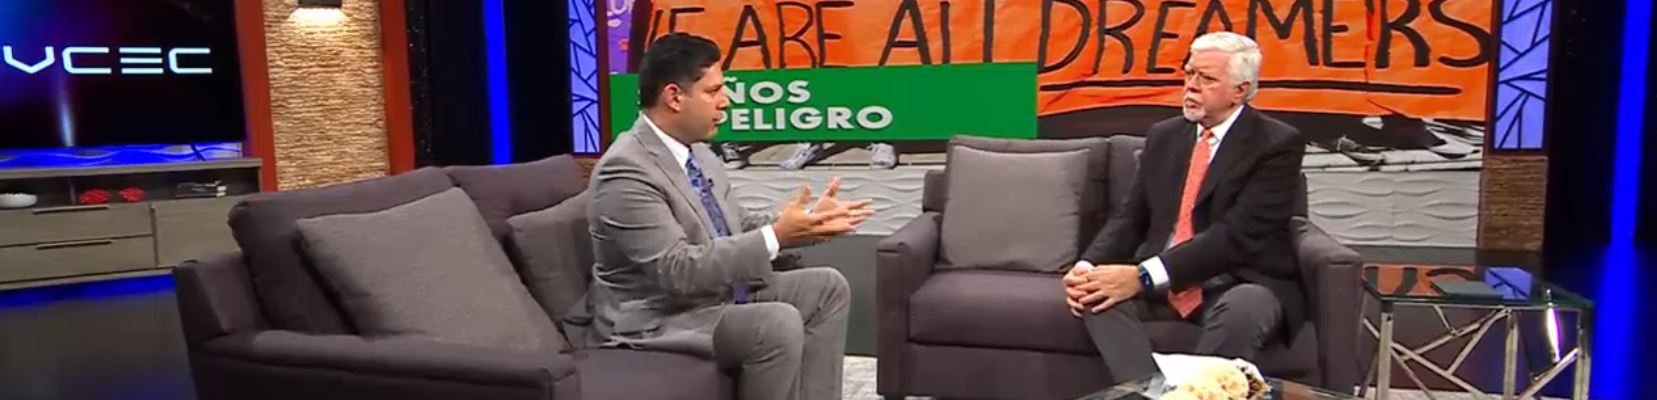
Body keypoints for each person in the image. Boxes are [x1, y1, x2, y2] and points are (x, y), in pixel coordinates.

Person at [579, 32, 873, 400]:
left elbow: (737, 225)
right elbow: (676, 269)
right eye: (714, 90)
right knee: (775, 323)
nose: (726, 101)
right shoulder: (626, 170)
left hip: (711, 295)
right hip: (657, 316)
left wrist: (809, 223)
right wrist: (777, 236)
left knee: (826, 288)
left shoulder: (699, 153)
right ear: (674, 97)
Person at [1062, 31, 1307, 384]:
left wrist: (1142, 276)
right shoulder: (1165, 136)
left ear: (1240, 90)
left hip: (1236, 278)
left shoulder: (1276, 144)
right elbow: (1132, 216)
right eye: (1189, 73)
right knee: (1095, 296)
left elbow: (1237, 236)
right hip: (1163, 279)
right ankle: (1155, 392)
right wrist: (1087, 267)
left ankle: (1197, 391)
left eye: (1206, 78)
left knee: (1245, 308)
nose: (1191, 86)